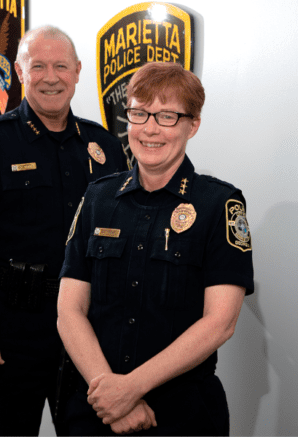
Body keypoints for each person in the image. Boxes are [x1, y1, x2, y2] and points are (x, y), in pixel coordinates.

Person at [0, 25, 128, 436]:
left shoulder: (106, 147)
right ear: (20, 73)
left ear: (77, 71)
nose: (51, 77)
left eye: (61, 66)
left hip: (84, 324)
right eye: (38, 66)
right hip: (7, 323)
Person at [56, 62, 255, 435]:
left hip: (181, 411)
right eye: (139, 113)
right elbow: (69, 310)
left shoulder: (219, 205)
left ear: (192, 125)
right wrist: (112, 394)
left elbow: (220, 323)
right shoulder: (98, 198)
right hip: (95, 404)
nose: (149, 128)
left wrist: (130, 388)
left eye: (167, 116)